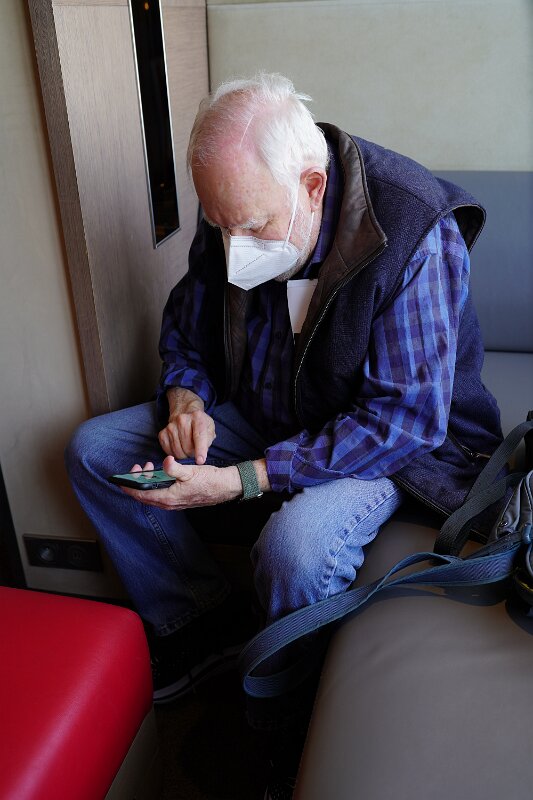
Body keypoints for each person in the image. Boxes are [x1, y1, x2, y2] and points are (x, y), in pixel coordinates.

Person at [66, 73, 503, 799]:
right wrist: (186, 398)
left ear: (311, 185)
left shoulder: (415, 231)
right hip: (270, 410)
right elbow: (186, 329)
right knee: (95, 452)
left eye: (250, 228)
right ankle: (201, 627)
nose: (232, 248)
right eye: (218, 225)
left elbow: (402, 421)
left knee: (294, 548)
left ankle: (284, 706)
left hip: (390, 449)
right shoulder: (237, 203)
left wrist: (242, 479)